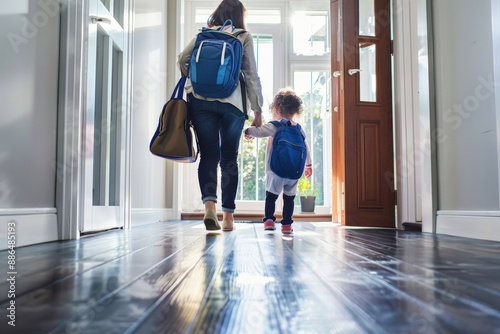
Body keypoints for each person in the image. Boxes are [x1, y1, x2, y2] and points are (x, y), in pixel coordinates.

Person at [177, 0, 263, 231]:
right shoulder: (242, 36)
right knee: (228, 158)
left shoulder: (203, 35)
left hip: (200, 101)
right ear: (239, 16)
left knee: (208, 155)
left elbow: (182, 60)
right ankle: (228, 218)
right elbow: (251, 75)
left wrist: (196, 77)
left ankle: (209, 208)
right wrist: (257, 110)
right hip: (233, 103)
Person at [244, 88, 312, 234]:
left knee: (271, 197)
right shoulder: (299, 129)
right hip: (294, 172)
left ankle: (269, 220)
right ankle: (286, 225)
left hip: (275, 170)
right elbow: (306, 148)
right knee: (289, 199)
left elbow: (259, 131)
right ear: (295, 111)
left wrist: (247, 131)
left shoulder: (275, 125)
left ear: (276, 109)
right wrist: (308, 166)